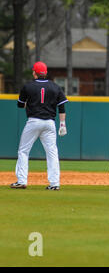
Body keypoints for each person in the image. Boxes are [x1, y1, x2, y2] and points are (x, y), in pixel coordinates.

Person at [10, 61, 68, 190]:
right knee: (52, 152)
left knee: (23, 151)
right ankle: (54, 184)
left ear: (34, 73)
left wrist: (32, 104)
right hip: (50, 123)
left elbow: (20, 104)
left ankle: (22, 181)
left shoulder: (28, 86)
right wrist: (62, 124)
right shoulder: (55, 86)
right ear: (45, 72)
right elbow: (62, 106)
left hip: (34, 121)